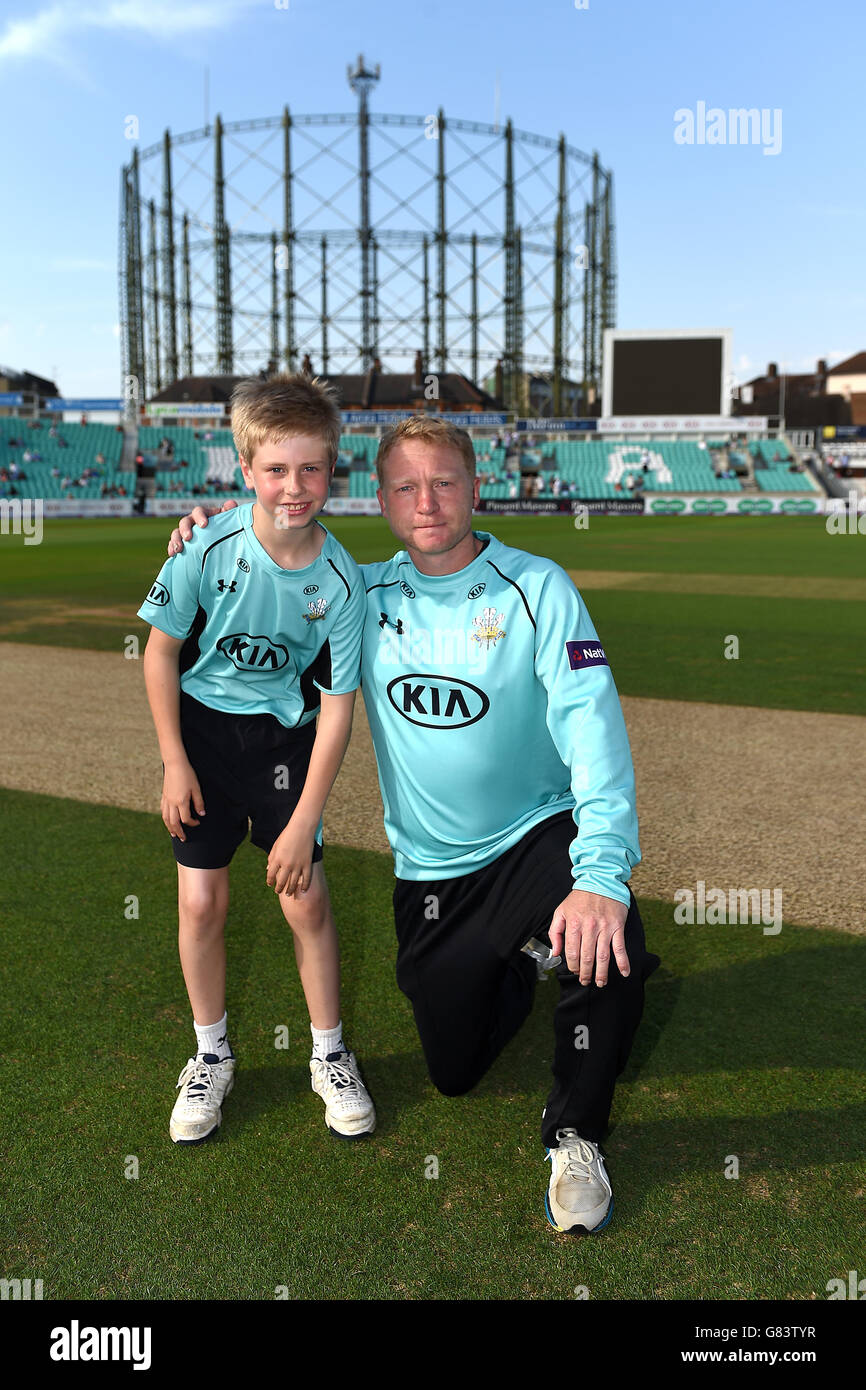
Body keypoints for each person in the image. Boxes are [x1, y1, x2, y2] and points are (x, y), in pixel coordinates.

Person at [169, 411, 659, 1236]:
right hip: (432, 875)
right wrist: (208, 525)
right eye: (405, 486)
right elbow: (270, 571)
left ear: (474, 487)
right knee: (456, 1071)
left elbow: (594, 732)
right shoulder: (361, 593)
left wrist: (601, 874)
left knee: (615, 947)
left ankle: (575, 1134)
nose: (425, 500)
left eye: (442, 482)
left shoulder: (538, 588)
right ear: (382, 502)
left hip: (536, 834)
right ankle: (524, 952)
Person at [139, 372, 376, 1147]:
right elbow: (161, 651)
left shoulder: (342, 583)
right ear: (245, 470)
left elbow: (339, 705)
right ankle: (210, 1053)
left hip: (286, 747)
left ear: (333, 469)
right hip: (204, 740)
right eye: (276, 469)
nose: (295, 487)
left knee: (305, 899)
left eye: (311, 468)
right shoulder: (206, 547)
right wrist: (175, 762)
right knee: (201, 904)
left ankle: (329, 1053)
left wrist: (305, 819)